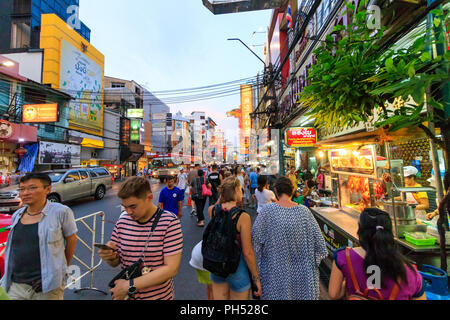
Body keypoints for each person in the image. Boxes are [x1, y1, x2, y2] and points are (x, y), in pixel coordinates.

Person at [98, 176, 183, 300]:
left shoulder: (169, 222)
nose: (129, 212)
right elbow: (116, 262)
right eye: (124, 207)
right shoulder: (123, 220)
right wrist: (109, 256)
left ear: (149, 198)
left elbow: (171, 269)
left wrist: (129, 285)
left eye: (133, 206)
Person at [1, 173, 78, 300]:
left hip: (47, 286)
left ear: (48, 189)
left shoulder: (61, 212)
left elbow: (71, 239)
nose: (25, 193)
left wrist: (62, 269)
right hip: (16, 285)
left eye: (32, 188)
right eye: (22, 189)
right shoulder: (17, 215)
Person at [252, 176, 328, 300]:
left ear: (276, 191)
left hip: (275, 278)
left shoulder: (266, 212)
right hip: (303, 280)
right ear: (292, 190)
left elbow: (255, 241)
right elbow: (320, 246)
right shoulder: (304, 212)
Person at [328, 208, 426, 300]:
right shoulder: (412, 274)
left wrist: (348, 281)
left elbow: (334, 294)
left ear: (360, 231)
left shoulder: (344, 257)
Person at [208, 177, 262, 300]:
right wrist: (256, 278)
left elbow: (218, 205)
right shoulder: (243, 217)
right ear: (237, 190)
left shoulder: (212, 211)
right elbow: (247, 252)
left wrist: (222, 195)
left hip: (217, 266)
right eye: (240, 190)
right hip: (237, 269)